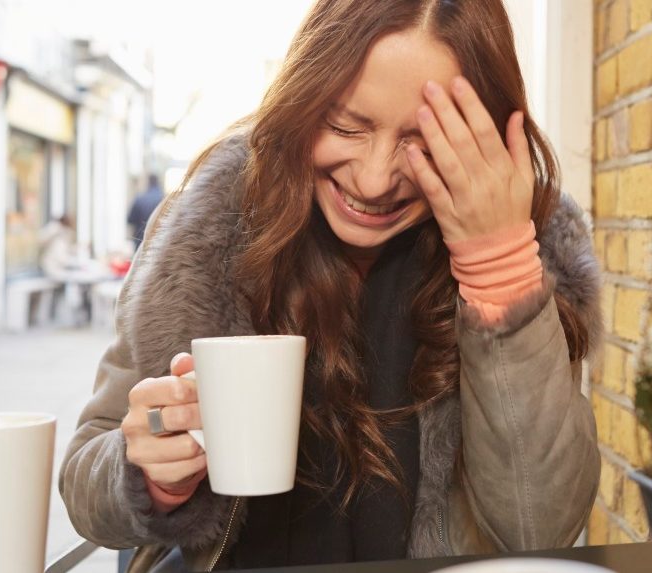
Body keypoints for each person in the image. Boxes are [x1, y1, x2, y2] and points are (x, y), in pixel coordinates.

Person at [61, 0, 602, 569]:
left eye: (420, 143)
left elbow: (542, 526)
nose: (372, 181)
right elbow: (84, 482)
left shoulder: (524, 250)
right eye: (347, 125)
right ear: (303, 99)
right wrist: (148, 467)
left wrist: (498, 269)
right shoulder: (207, 228)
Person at [127, 174, 165, 251]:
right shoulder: (165, 200)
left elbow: (130, 220)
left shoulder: (140, 199)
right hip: (160, 243)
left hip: (141, 242)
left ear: (148, 182)